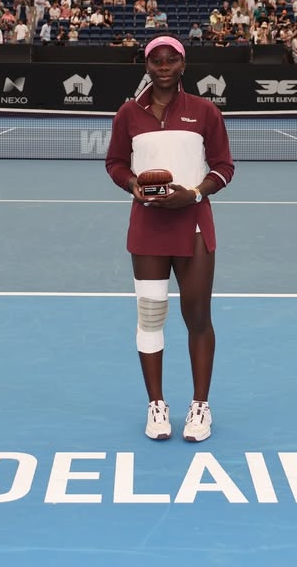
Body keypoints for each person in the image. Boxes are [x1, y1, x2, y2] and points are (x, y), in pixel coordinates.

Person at [105, 35, 235, 443]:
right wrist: (132, 185)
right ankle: (156, 405)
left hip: (194, 223)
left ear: (183, 64)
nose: (163, 66)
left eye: (171, 60)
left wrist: (194, 193)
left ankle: (200, 406)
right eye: (156, 60)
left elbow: (224, 167)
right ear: (147, 66)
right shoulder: (128, 113)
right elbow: (115, 163)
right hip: (146, 228)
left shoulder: (205, 111)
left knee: (197, 317)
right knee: (150, 317)